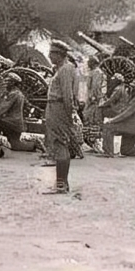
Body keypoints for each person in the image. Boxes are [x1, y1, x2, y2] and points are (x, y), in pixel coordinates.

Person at [43, 40, 84, 194]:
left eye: (51, 53)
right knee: (59, 144)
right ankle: (62, 183)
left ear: (59, 54)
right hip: (57, 108)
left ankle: (61, 185)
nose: (49, 56)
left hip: (59, 108)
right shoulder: (65, 69)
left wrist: (68, 114)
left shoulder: (65, 69)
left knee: (60, 144)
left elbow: (67, 95)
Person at [102, 78, 135, 157]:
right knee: (126, 151)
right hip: (134, 129)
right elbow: (124, 111)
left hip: (131, 127)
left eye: (132, 87)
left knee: (108, 127)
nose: (130, 89)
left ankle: (109, 152)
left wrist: (112, 120)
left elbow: (126, 114)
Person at [0, 72, 39, 152]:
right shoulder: (18, 93)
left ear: (12, 83)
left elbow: (3, 108)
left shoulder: (13, 94)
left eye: (7, 81)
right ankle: (33, 145)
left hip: (12, 123)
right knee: (15, 145)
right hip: (16, 123)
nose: (5, 83)